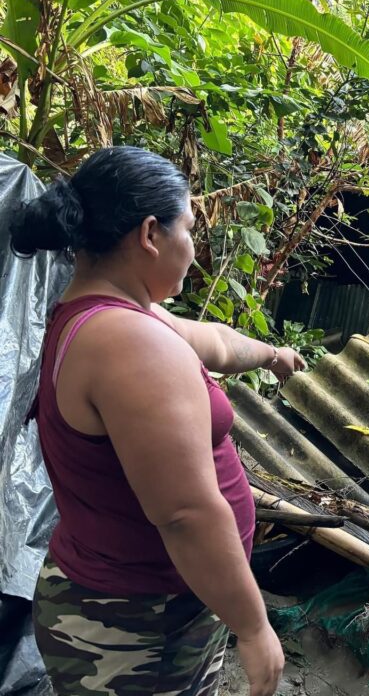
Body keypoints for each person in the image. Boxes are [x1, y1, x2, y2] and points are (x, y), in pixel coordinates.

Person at [9, 146, 306, 696]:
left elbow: (213, 341)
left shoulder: (116, 315)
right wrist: (254, 626)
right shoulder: (130, 344)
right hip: (134, 627)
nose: (193, 249)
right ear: (150, 234)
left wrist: (271, 353)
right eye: (188, 229)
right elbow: (186, 513)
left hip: (140, 607)